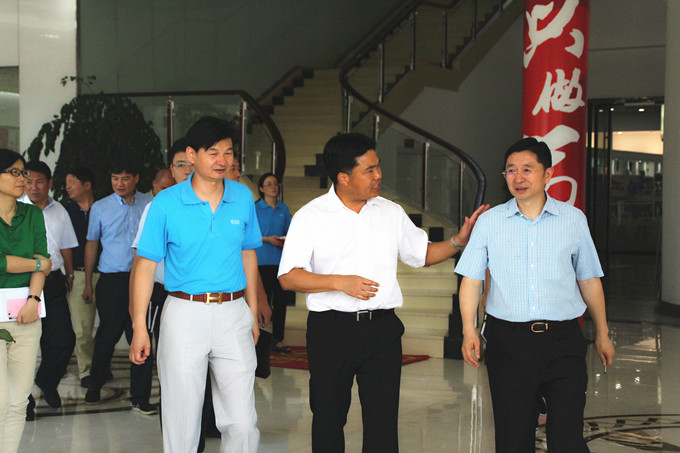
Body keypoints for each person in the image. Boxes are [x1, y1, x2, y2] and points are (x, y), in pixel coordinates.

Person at [277, 133, 489, 453]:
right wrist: (340, 282)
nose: (379, 175)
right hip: (331, 331)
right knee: (328, 417)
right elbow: (288, 277)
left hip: (382, 330)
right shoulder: (311, 216)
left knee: (383, 420)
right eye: (369, 170)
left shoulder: (390, 211)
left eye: (378, 167)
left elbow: (422, 254)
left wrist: (459, 240)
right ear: (343, 177)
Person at [455, 137, 616, 453]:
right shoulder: (489, 222)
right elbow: (471, 281)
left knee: (568, 437)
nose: (518, 177)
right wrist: (469, 329)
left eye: (527, 169)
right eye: (511, 170)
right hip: (508, 342)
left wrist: (603, 333)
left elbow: (589, 279)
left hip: (562, 340)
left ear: (548, 174)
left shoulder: (573, 220)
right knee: (513, 437)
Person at [130, 116, 261, 453]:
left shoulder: (242, 197)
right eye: (213, 152)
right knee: (182, 418)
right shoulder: (166, 203)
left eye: (228, 153)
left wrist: (253, 310)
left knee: (242, 421)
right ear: (192, 155)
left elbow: (248, 253)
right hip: (184, 312)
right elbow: (144, 268)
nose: (222, 160)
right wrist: (140, 327)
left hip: (233, 312)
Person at [83, 159, 155, 415]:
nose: (119, 183)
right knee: (107, 334)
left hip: (143, 279)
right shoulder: (100, 208)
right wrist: (88, 282)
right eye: (115, 178)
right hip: (112, 280)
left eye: (125, 178)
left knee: (142, 335)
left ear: (136, 178)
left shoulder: (150, 204)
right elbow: (92, 244)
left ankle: (140, 398)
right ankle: (95, 384)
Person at [0, 149, 52, 453]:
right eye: (14, 172)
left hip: (27, 312)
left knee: (19, 400)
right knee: (0, 400)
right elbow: (37, 262)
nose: (23, 179)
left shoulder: (32, 214)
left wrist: (33, 299)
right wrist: (36, 264)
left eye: (24, 173)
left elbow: (43, 256)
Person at [25, 161, 78, 409]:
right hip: (23, 282)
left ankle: (47, 381)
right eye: (29, 182)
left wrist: (70, 275)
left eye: (39, 182)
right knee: (23, 343)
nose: (33, 187)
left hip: (53, 280)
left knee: (63, 339)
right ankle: (24, 400)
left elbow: (66, 246)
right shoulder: (16, 209)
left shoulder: (60, 211)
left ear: (49, 183)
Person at [64, 167, 98, 388]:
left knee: (111, 327)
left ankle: (100, 364)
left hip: (106, 274)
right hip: (77, 274)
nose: (67, 187)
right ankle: (86, 370)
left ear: (87, 185)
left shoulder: (103, 208)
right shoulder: (65, 212)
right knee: (82, 329)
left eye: (72, 182)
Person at [255, 173, 293, 352]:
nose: (273, 187)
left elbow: (290, 232)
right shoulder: (255, 208)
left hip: (279, 262)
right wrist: (267, 239)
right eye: (269, 184)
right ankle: (258, 335)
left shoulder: (283, 209)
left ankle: (278, 338)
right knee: (262, 300)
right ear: (261, 189)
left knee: (280, 302)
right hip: (261, 261)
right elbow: (249, 235)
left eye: (275, 184)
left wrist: (284, 240)